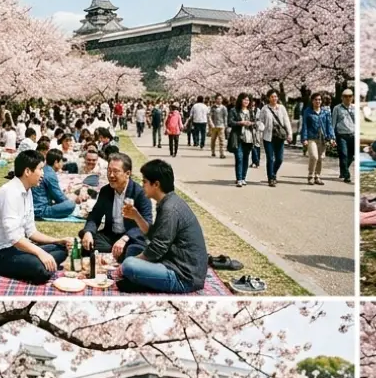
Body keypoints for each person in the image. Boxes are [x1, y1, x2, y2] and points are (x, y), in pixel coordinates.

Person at [116, 160, 208, 294]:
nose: (142, 186)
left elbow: (157, 248)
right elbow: (155, 235)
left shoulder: (170, 209)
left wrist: (124, 266)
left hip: (183, 276)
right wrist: (137, 216)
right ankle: (141, 280)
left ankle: (141, 281)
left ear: (156, 184)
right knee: (133, 249)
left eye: (145, 182)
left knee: (129, 265)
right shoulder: (167, 202)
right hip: (171, 260)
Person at [0, 150, 72, 284]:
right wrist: (40, 253)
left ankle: (45, 260)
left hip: (19, 247)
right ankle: (43, 262)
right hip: (1, 254)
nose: (43, 174)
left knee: (64, 248)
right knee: (41, 270)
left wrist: (58, 240)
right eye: (40, 169)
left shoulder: (27, 190)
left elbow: (31, 232)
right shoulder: (10, 193)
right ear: (27, 171)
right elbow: (14, 238)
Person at [80, 152, 152, 260]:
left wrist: (125, 238)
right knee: (85, 241)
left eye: (115, 171)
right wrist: (89, 232)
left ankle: (115, 255)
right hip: (109, 236)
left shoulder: (140, 193)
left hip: (130, 238)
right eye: (109, 171)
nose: (111, 175)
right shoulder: (105, 191)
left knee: (133, 251)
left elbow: (147, 223)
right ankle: (113, 254)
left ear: (127, 173)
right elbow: (95, 216)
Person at [259, 89, 292, 186]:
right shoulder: (264, 109)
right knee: (270, 158)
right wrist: (260, 126)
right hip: (268, 137)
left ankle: (273, 173)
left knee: (279, 159)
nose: (274, 98)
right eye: (272, 96)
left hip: (279, 137)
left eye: (276, 96)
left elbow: (286, 121)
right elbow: (260, 121)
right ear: (268, 98)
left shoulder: (281, 108)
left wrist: (289, 133)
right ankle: (271, 178)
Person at [300, 93, 333, 186]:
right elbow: (305, 125)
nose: (318, 101)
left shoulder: (325, 112)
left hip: (322, 137)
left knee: (320, 158)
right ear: (312, 101)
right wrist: (304, 138)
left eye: (319, 99)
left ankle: (317, 176)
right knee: (314, 157)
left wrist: (331, 137)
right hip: (311, 137)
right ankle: (310, 176)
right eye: (316, 99)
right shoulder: (308, 111)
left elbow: (329, 125)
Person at [228, 93, 257, 187]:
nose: (246, 102)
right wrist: (240, 123)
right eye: (244, 99)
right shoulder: (234, 110)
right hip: (238, 137)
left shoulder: (251, 111)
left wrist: (252, 123)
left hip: (248, 138)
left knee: (245, 158)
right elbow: (230, 122)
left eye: (248, 100)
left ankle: (243, 177)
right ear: (240, 100)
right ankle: (239, 179)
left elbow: (255, 123)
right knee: (239, 158)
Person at [333, 89, 356, 184]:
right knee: (344, 154)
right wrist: (332, 136)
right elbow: (333, 122)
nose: (348, 98)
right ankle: (347, 175)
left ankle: (343, 170)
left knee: (352, 156)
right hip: (341, 135)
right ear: (342, 97)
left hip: (353, 134)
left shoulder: (354, 108)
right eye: (345, 96)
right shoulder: (337, 108)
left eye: (350, 96)